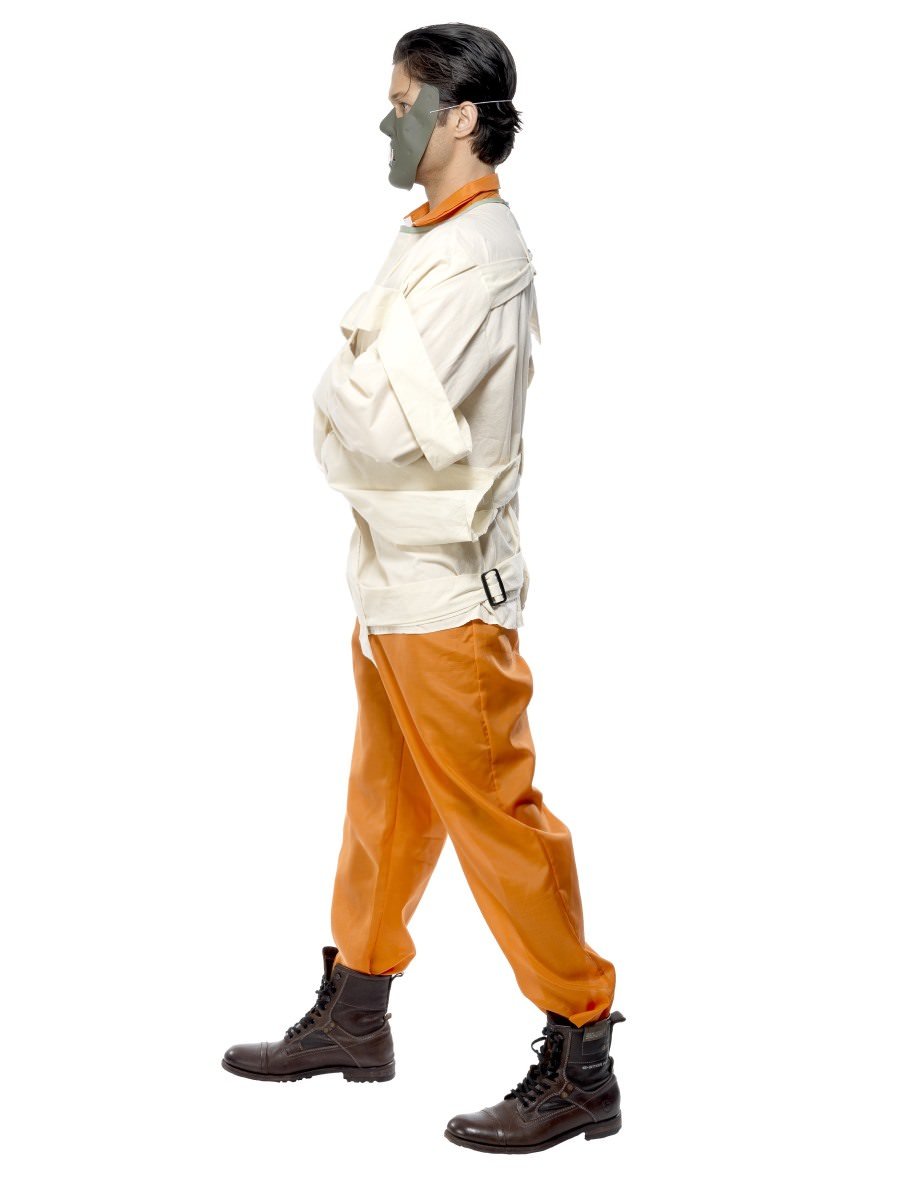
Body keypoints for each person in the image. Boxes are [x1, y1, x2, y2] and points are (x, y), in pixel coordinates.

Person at [222, 22, 626, 1154]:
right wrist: (352, 386)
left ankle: (583, 1052)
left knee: (497, 819)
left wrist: (340, 379)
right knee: (386, 808)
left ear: (460, 118)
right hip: (393, 582)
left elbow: (376, 423)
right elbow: (368, 409)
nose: (387, 121)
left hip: (448, 594)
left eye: (403, 103)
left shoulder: (481, 254)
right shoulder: (430, 237)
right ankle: (356, 1015)